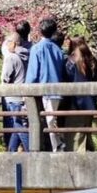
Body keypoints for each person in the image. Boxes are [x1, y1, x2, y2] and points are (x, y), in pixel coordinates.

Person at [25, 17, 67, 151]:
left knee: (49, 119)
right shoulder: (59, 50)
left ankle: (56, 146)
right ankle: (56, 144)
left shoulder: (36, 49)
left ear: (40, 31)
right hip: (58, 89)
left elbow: (32, 73)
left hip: (43, 90)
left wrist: (26, 90)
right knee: (51, 118)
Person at [65, 38, 97, 151]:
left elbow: (66, 81)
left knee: (75, 137)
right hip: (90, 104)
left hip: (74, 105)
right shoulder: (93, 61)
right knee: (86, 133)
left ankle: (78, 162)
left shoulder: (71, 62)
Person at [2, 32, 29, 152]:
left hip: (13, 97)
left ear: (13, 43)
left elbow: (6, 78)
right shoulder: (25, 55)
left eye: (8, 42)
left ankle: (31, 151)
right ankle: (11, 151)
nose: (6, 45)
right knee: (16, 125)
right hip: (22, 96)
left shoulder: (11, 57)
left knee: (18, 125)